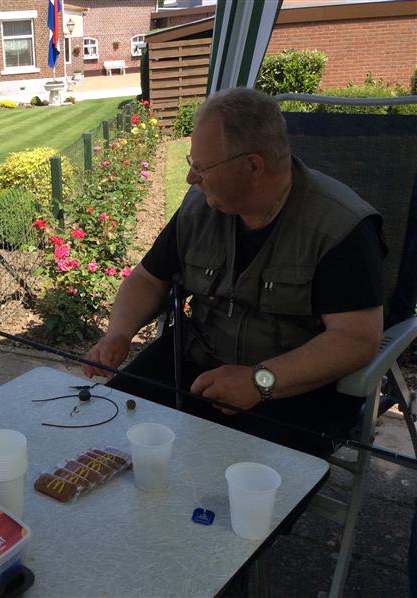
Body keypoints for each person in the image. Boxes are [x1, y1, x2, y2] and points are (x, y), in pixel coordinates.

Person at [83, 87, 386, 456]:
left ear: (253, 166)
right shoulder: (200, 209)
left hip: (292, 391)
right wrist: (118, 333)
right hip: (196, 363)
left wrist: (259, 381)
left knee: (231, 480)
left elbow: (355, 339)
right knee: (107, 431)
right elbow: (149, 278)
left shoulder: (339, 227)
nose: (190, 178)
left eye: (201, 167)